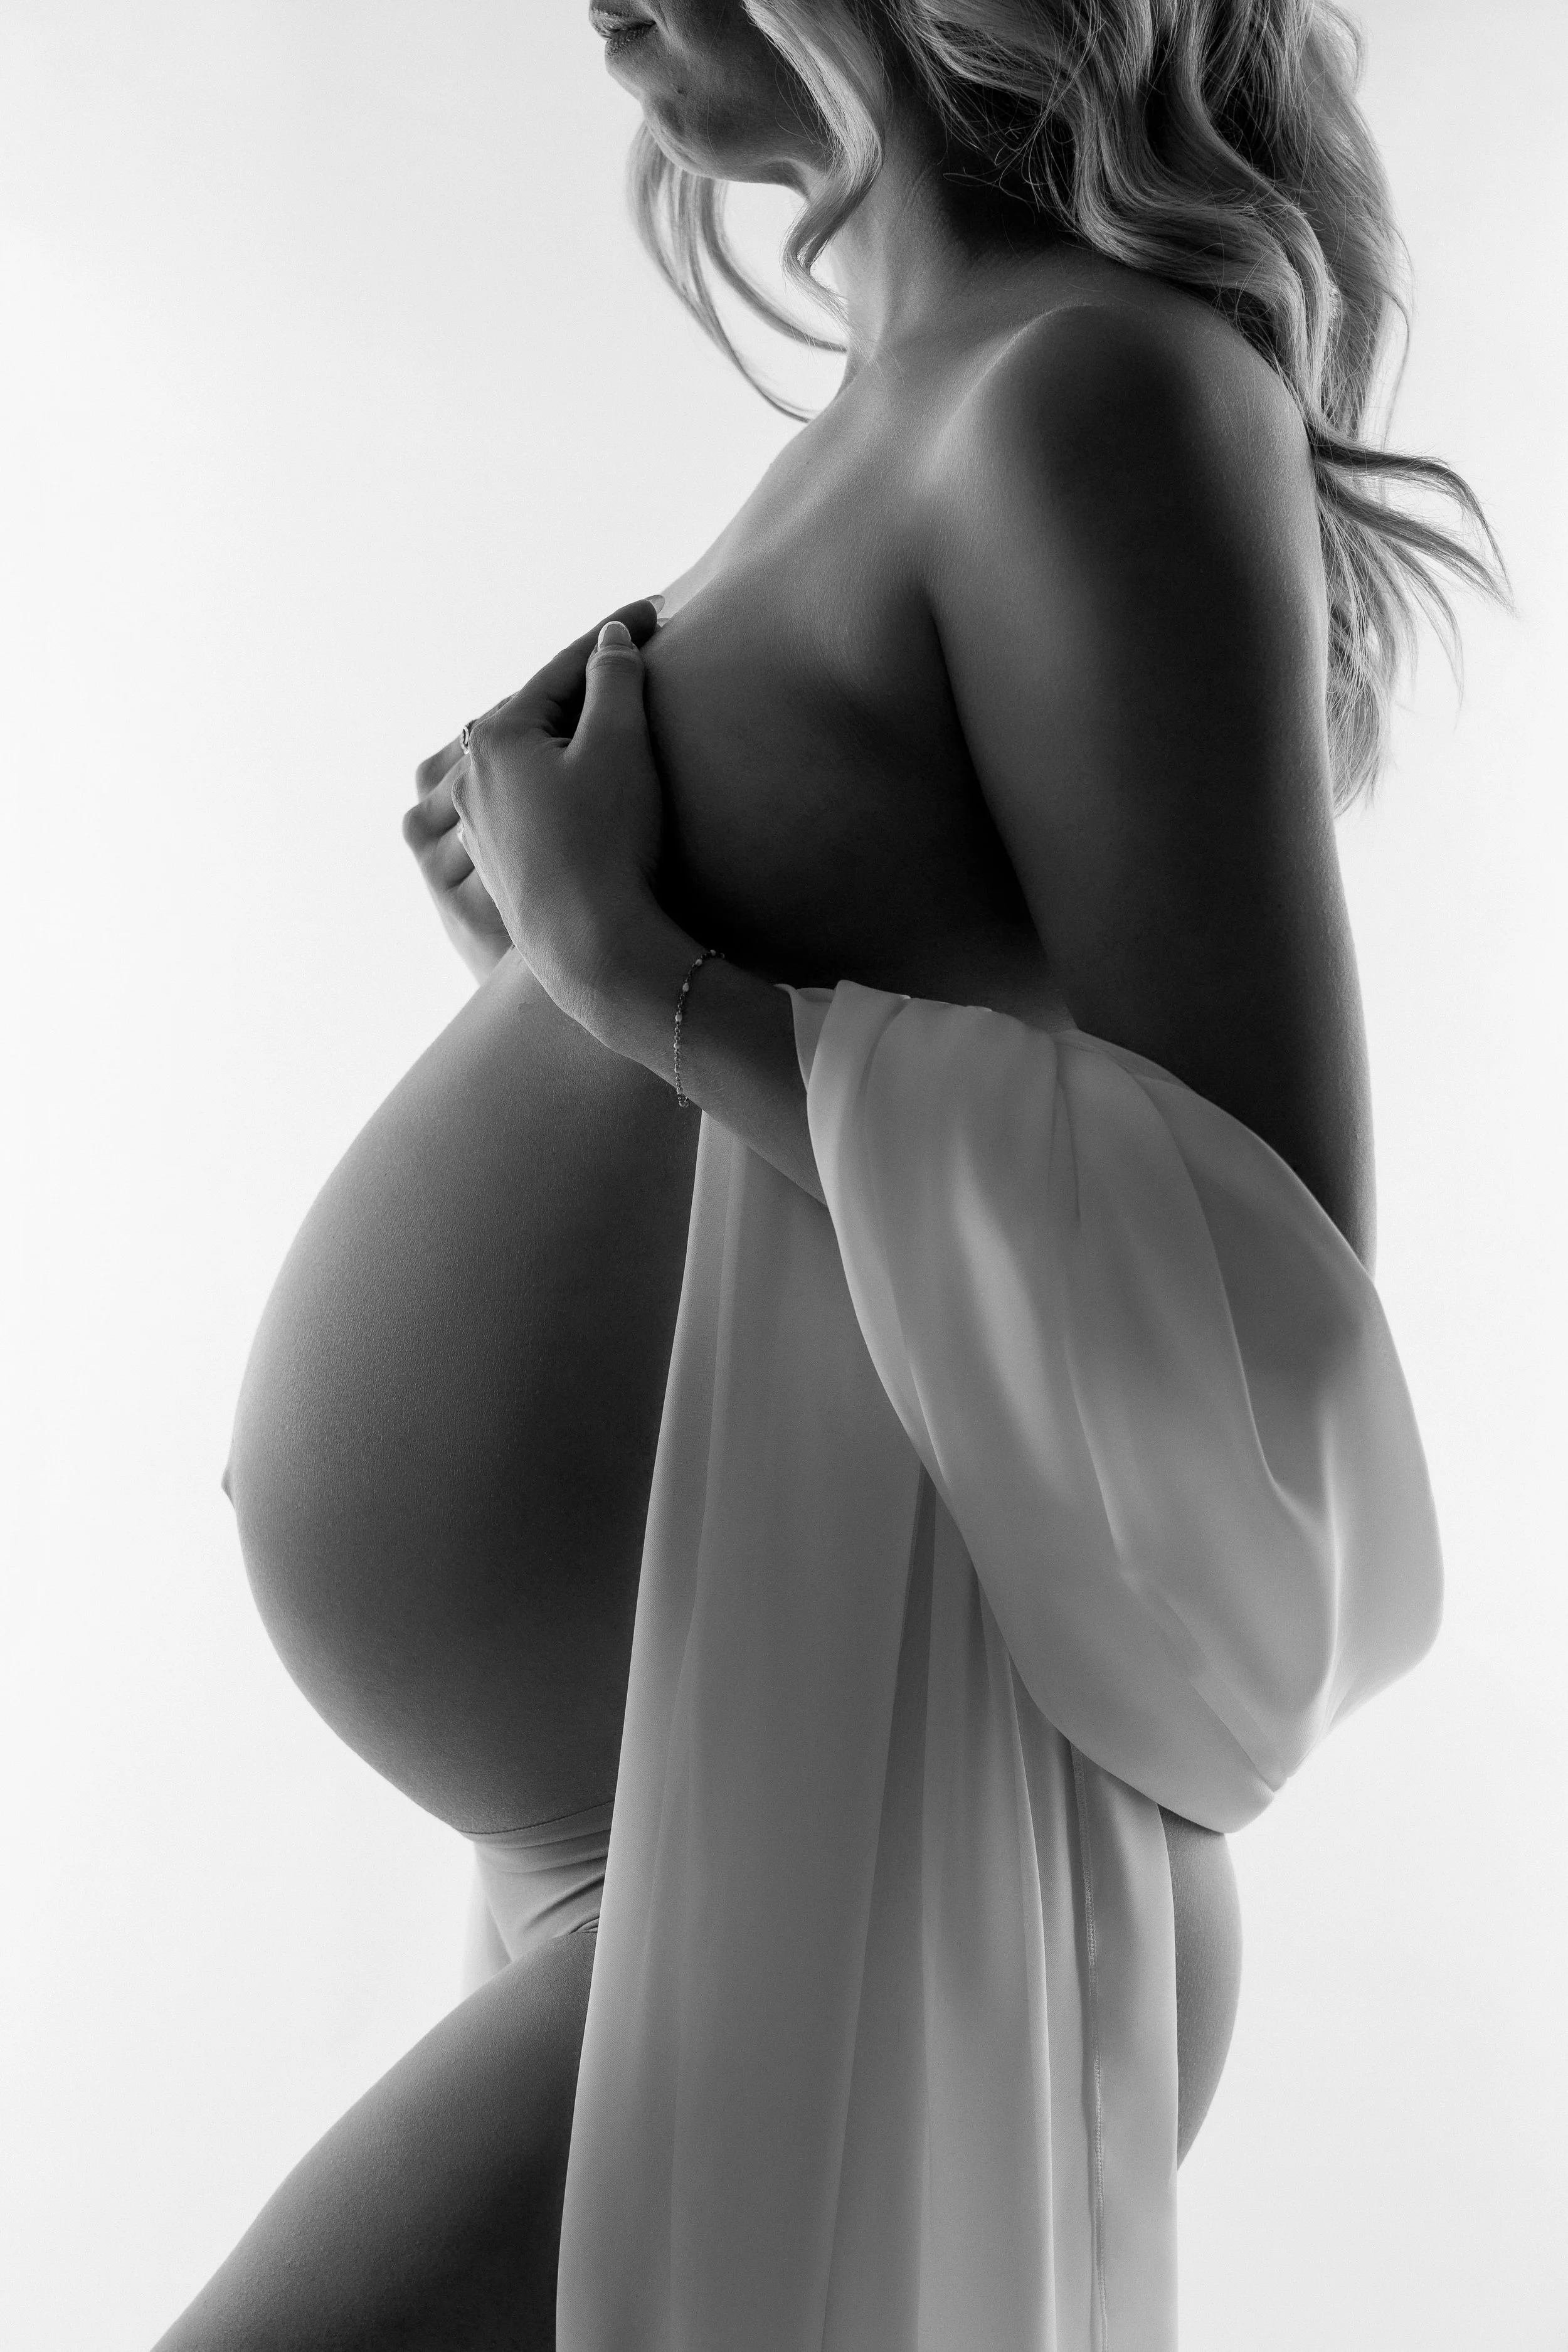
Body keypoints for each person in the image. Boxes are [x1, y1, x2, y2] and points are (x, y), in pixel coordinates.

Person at [181, 3, 1502, 2346]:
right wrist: (539, 974)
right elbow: (869, 1074)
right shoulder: (875, 433)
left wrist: (629, 974)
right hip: (687, 1806)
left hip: (875, 1846)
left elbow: (1250, 1348)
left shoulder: (1091, 396)